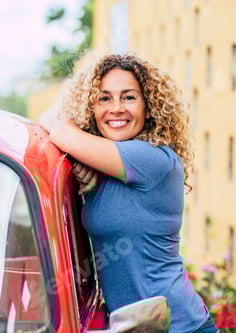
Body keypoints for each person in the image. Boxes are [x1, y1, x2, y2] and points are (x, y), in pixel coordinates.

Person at [40, 54, 217, 333]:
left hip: (177, 326)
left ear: (149, 108)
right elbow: (50, 119)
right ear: (91, 108)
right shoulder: (109, 167)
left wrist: (79, 151)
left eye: (129, 97)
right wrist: (82, 163)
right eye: (104, 98)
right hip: (139, 325)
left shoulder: (153, 159)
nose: (116, 108)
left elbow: (58, 128)